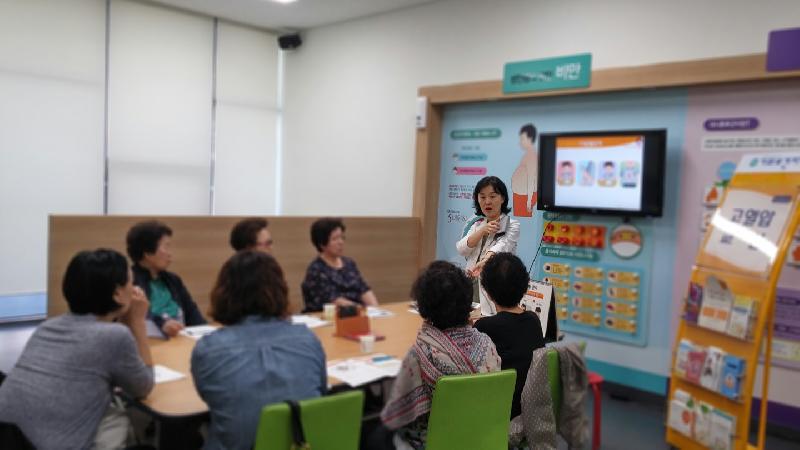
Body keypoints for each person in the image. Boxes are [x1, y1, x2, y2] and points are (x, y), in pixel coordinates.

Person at [0, 249, 154, 450]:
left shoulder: (47, 326)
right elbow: (143, 387)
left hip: (9, 438)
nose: (134, 289)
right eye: (131, 283)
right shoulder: (114, 336)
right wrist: (137, 323)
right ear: (117, 293)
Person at [192, 251, 326, 450]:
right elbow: (320, 392)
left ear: (223, 293)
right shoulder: (308, 338)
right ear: (281, 290)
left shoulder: (208, 350)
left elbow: (213, 399)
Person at [371, 261, 501, 450]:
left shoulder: (421, 352)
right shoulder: (487, 344)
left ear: (425, 306)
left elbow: (397, 411)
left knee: (374, 435)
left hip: (432, 442)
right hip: (479, 437)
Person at [474, 252, 545, 419]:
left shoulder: (484, 327)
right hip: (530, 409)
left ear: (488, 293)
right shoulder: (533, 320)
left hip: (498, 411)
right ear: (525, 287)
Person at [127, 220, 206, 337]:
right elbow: (137, 315)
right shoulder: (129, 281)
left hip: (181, 338)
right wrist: (162, 323)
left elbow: (192, 312)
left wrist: (206, 331)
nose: (170, 254)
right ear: (148, 253)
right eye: (166, 247)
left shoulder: (173, 280)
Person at [456, 176, 520, 316]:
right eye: (482, 197)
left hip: (494, 286)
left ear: (502, 199)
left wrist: (485, 261)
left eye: (492, 196)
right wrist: (482, 230)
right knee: (471, 319)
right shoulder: (477, 224)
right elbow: (461, 249)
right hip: (471, 283)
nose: (487, 202)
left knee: (490, 319)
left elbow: (502, 247)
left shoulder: (512, 224)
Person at [301, 217, 379, 312]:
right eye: (335, 239)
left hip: (357, 312)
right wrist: (361, 310)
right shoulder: (316, 270)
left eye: (342, 237)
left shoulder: (349, 263)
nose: (341, 242)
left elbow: (364, 289)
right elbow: (334, 300)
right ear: (322, 244)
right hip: (331, 316)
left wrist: (375, 309)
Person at [511, 123, 539, 217]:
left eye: (522, 139)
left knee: (521, 222)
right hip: (522, 196)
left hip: (524, 197)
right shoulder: (529, 154)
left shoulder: (531, 156)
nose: (520, 142)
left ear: (530, 138)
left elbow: (531, 179)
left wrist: (529, 201)